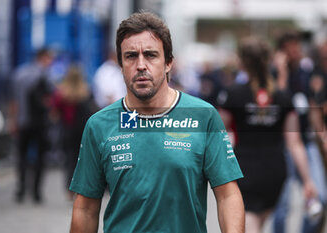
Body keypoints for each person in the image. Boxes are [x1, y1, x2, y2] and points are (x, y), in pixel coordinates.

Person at [69, 12, 245, 233]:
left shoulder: (203, 116)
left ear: (169, 62)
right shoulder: (99, 125)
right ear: (121, 65)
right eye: (131, 56)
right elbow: (85, 208)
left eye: (151, 55)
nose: (141, 65)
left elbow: (228, 195)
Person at [217, 36, 316, 233]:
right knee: (258, 223)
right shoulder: (282, 96)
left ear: (242, 62)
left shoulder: (234, 94)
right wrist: (307, 180)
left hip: (244, 169)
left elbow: (217, 131)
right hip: (275, 171)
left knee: (251, 221)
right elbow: (294, 142)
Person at [272, 32, 327, 233]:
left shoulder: (307, 72)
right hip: (283, 146)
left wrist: (322, 134)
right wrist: (282, 73)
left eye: (297, 47)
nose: (295, 51)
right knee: (282, 205)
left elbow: (312, 105)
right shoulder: (273, 73)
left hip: (306, 141)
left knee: (319, 197)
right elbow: (279, 101)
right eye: (290, 47)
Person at [9, 48, 54, 204]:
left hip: (22, 122)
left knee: (21, 157)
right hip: (40, 123)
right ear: (43, 58)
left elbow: (13, 101)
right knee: (40, 158)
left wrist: (13, 121)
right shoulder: (45, 75)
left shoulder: (19, 74)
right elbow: (50, 99)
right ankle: (36, 192)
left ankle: (21, 190)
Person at [51, 65, 97, 200]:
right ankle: (80, 189)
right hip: (83, 131)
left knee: (69, 161)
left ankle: (69, 190)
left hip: (67, 131)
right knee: (82, 161)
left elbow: (54, 113)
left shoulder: (62, 93)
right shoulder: (86, 91)